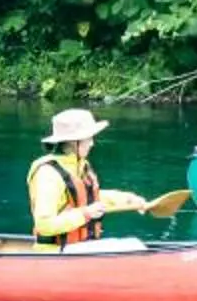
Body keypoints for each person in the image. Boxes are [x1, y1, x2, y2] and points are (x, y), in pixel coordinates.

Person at [29, 106, 149, 249]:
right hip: (54, 252)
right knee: (134, 246)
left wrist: (129, 199)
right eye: (89, 138)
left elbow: (88, 196)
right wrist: (86, 213)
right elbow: (44, 225)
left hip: (78, 248)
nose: (92, 143)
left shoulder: (79, 165)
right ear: (73, 141)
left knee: (134, 244)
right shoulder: (48, 174)